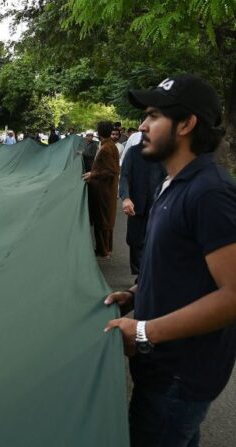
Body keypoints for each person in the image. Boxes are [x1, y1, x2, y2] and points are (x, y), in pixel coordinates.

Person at [104, 74, 236, 447]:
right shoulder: (175, 183)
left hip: (179, 378)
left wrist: (144, 332)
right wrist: (135, 292)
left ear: (187, 124)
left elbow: (233, 295)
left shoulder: (210, 192)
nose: (142, 126)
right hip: (162, 370)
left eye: (154, 116)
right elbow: (182, 266)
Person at [118, 141, 166, 274]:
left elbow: (169, 176)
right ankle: (139, 276)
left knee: (155, 242)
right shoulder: (133, 152)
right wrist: (126, 198)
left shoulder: (164, 152)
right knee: (134, 241)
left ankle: (146, 277)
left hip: (158, 206)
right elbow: (124, 177)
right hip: (135, 206)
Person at [82, 121, 119, 257]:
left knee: (102, 220)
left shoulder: (106, 149)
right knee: (105, 220)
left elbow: (111, 171)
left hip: (103, 191)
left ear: (98, 132)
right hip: (106, 190)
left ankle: (103, 250)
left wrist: (93, 174)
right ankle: (106, 249)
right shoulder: (110, 145)